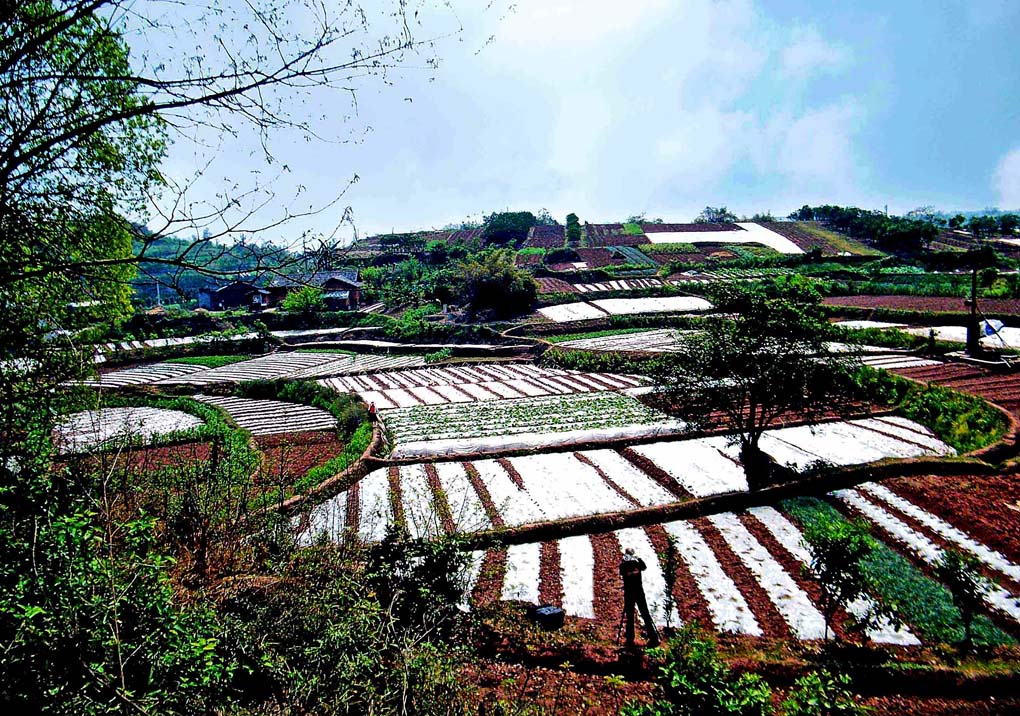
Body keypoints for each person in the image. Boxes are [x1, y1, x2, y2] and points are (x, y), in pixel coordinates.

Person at [619, 547, 660, 648]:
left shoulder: (624, 563)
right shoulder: (638, 561)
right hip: (639, 591)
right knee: (645, 614)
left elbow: (621, 572)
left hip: (629, 593)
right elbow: (644, 567)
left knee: (630, 616)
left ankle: (630, 639)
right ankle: (653, 637)